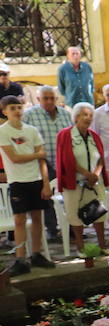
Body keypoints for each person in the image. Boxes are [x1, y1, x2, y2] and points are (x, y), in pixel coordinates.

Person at [0, 95, 56, 274]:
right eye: (12, 108)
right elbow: (14, 158)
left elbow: (43, 160)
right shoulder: (3, 131)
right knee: (19, 220)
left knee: (38, 218)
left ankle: (37, 254)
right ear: (5, 111)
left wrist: (46, 183)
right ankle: (20, 258)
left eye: (19, 107)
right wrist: (37, 154)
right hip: (18, 181)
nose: (17, 111)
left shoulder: (32, 130)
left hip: (36, 180)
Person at [55, 103, 109, 253]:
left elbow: (100, 158)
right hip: (74, 182)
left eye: (91, 115)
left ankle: (102, 245)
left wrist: (96, 174)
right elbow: (66, 158)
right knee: (74, 214)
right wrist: (86, 174)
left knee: (98, 213)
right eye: (85, 114)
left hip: (94, 182)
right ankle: (81, 247)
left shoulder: (94, 135)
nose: (88, 118)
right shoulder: (65, 135)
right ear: (76, 117)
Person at [23, 86, 71, 241]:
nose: (50, 101)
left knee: (68, 197)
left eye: (52, 98)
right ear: (38, 99)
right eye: (46, 98)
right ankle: (52, 229)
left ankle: (71, 228)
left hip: (64, 163)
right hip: (42, 163)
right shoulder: (29, 116)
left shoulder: (65, 115)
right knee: (47, 198)